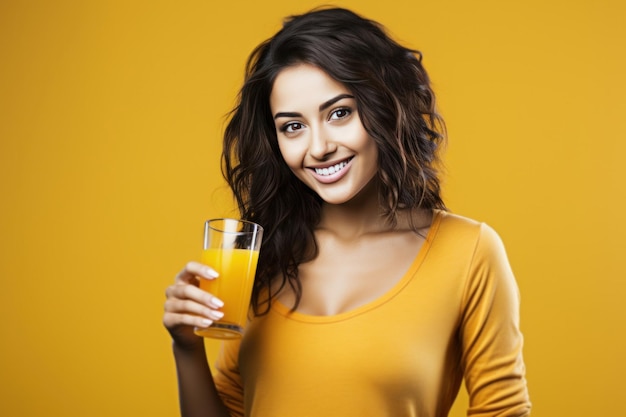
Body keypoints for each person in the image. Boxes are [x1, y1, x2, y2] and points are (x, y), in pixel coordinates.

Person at [163, 6, 531, 417]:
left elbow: (503, 411)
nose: (318, 147)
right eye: (293, 126)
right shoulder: (261, 258)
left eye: (339, 113)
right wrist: (186, 347)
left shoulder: (468, 252)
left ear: (384, 107)